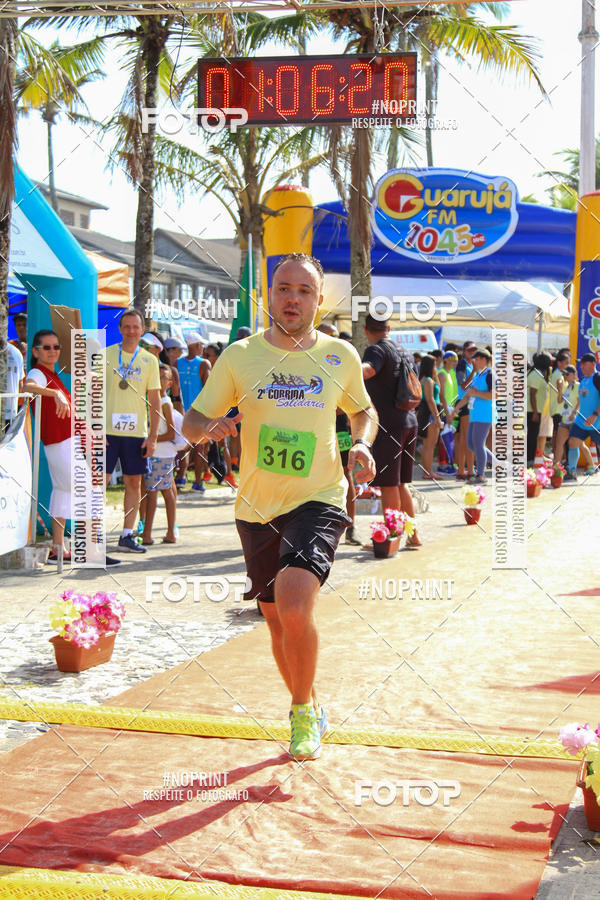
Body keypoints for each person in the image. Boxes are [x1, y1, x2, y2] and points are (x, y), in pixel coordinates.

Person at [183, 253, 377, 761]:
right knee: (275, 621)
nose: (293, 298)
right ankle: (309, 698)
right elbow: (192, 422)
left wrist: (362, 444)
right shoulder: (240, 356)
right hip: (257, 506)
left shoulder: (340, 356)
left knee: (294, 603)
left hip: (319, 496)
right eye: (284, 288)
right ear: (271, 294)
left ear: (318, 299)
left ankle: (300, 713)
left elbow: (362, 410)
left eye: (305, 291)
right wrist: (212, 427)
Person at [24, 330, 120, 566]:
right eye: (47, 347)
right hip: (60, 444)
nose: (53, 351)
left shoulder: (52, 374)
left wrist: (88, 431)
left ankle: (58, 548)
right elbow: (28, 386)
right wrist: (55, 392)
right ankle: (88, 550)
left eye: (56, 347)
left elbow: (69, 413)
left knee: (62, 493)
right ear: (35, 351)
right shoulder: (39, 372)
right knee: (90, 493)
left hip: (60, 443)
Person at [361, 314, 422, 547]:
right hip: (410, 422)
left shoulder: (376, 350)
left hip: (389, 425)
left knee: (388, 483)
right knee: (401, 483)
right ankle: (413, 536)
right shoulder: (403, 350)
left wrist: (345, 366)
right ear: (388, 327)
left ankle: (390, 537)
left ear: (366, 330)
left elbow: (368, 370)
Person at [105, 308, 161, 553]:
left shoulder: (150, 360)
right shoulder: (105, 355)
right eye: (126, 327)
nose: (131, 331)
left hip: (136, 432)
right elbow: (90, 392)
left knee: (133, 483)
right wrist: (91, 429)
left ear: (142, 330)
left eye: (135, 327)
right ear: (120, 329)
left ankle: (127, 534)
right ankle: (94, 534)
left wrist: (153, 437)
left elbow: (155, 400)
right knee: (100, 482)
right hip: (106, 431)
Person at [141, 363, 178, 545]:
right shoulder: (151, 399)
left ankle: (149, 533)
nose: (160, 380)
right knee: (162, 491)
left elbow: (171, 433)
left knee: (155, 493)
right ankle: (167, 532)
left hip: (160, 453)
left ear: (169, 383)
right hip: (155, 453)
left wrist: (151, 439)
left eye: (164, 378)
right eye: (158, 376)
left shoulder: (165, 403)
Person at [454, 348, 495, 484]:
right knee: (471, 444)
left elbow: (494, 394)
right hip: (474, 414)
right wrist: (457, 409)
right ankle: (500, 465)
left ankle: (481, 475)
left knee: (478, 444)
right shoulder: (478, 375)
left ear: (484, 360)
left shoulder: (490, 374)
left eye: (476, 359)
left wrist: (476, 394)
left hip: (484, 414)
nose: (474, 362)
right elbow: (467, 395)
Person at [177, 331, 210, 492]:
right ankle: (198, 482)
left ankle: (181, 477)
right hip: (198, 412)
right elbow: (209, 389)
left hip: (180, 410)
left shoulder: (177, 363)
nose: (202, 348)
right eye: (201, 345)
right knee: (199, 449)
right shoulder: (204, 364)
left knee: (181, 446)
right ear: (197, 345)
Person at [565, 352, 600, 481]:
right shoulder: (583, 380)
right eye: (581, 364)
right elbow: (583, 400)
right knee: (573, 441)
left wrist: (595, 414)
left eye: (584, 364)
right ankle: (572, 472)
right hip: (582, 421)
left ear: (593, 364)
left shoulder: (597, 378)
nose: (581, 366)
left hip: (597, 421)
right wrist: (575, 412)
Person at [418, 354, 443, 480]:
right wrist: (437, 418)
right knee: (429, 445)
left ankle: (427, 471)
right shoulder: (427, 380)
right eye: (434, 364)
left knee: (428, 444)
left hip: (427, 412)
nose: (436, 367)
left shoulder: (426, 379)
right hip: (430, 413)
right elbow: (430, 400)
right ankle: (428, 472)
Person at [454, 342, 477, 480]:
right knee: (466, 438)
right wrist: (474, 371)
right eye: (470, 350)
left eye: (474, 350)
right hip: (464, 402)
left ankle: (464, 470)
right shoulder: (463, 365)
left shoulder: (470, 364)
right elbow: (463, 386)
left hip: (470, 402)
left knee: (465, 438)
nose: (472, 352)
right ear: (464, 351)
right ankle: (467, 470)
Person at [526, 352, 551, 464]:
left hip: (535, 409)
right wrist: (535, 412)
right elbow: (532, 394)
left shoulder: (536, 373)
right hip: (532, 410)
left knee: (533, 434)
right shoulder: (536, 374)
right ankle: (530, 459)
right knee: (532, 435)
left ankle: (531, 458)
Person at [554, 364, 578, 466]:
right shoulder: (566, 386)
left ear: (574, 374)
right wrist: (559, 390)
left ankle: (591, 464)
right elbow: (560, 401)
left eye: (567, 374)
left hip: (574, 419)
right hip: (565, 419)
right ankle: (556, 468)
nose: (565, 376)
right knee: (559, 444)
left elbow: (580, 401)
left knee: (579, 445)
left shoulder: (578, 385)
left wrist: (574, 412)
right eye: (564, 374)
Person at [550, 351, 570, 457]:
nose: (568, 365)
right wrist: (560, 397)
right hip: (559, 409)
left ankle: (557, 455)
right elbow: (559, 384)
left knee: (557, 433)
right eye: (566, 363)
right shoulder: (559, 374)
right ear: (559, 363)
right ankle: (560, 457)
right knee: (560, 435)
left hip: (557, 409)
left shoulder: (558, 373)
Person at [3, 341, 24, 431]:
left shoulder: (15, 352)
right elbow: (21, 385)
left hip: (11, 412)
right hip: (11, 411)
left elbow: (20, 385)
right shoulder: (16, 352)